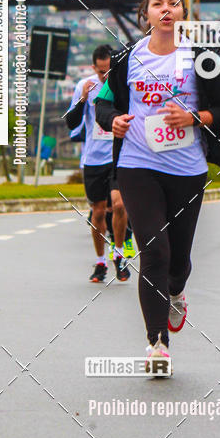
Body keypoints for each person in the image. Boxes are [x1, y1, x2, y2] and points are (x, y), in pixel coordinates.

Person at [95, 0, 220, 376]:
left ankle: (176, 291)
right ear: (147, 13)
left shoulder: (202, 58)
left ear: (182, 12)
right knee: (154, 253)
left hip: (188, 170)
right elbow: (103, 104)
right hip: (138, 166)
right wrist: (115, 120)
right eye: (158, 4)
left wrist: (195, 117)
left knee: (179, 261)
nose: (166, 10)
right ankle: (158, 343)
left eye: (174, 3)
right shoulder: (128, 59)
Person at [65, 44, 130, 284]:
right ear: (93, 67)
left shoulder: (121, 83)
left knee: (120, 205)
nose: (105, 76)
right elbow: (71, 123)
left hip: (118, 155)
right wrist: (83, 98)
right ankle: (101, 261)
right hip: (93, 158)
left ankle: (119, 255)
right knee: (99, 212)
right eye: (101, 72)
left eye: (109, 70)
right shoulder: (85, 86)